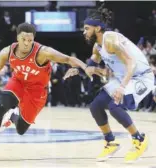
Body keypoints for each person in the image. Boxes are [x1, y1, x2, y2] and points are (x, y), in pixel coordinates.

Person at [0, 23, 105, 161]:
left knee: (21, 129)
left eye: (30, 40)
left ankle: (13, 116)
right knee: (2, 105)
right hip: (18, 83)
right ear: (17, 38)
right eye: (23, 39)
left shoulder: (43, 52)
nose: (26, 43)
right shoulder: (7, 51)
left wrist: (85, 67)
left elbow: (68, 59)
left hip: (37, 91)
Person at [64, 5, 155, 162]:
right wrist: (79, 71)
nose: (84, 32)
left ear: (98, 28)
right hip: (124, 78)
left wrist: (121, 87)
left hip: (140, 77)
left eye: (87, 28)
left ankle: (139, 139)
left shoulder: (111, 39)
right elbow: (91, 67)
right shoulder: (97, 47)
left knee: (115, 106)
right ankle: (110, 141)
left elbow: (131, 63)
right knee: (96, 106)